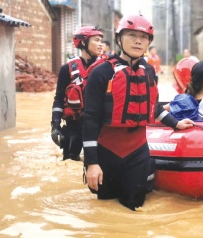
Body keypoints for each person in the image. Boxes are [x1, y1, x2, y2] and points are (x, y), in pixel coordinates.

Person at [82, 14, 194, 211]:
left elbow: (154, 106)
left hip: (137, 152)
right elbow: (89, 118)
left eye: (143, 37)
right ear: (119, 39)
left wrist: (175, 123)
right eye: (132, 35)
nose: (137, 41)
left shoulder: (149, 71)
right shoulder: (101, 73)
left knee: (133, 208)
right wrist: (92, 163)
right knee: (105, 211)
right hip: (106, 152)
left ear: (148, 42)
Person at [51, 26, 104, 161]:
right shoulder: (66, 69)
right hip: (74, 126)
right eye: (96, 40)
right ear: (83, 42)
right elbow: (58, 99)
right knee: (69, 161)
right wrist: (55, 126)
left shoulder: (106, 68)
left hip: (98, 126)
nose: (100, 44)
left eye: (101, 41)